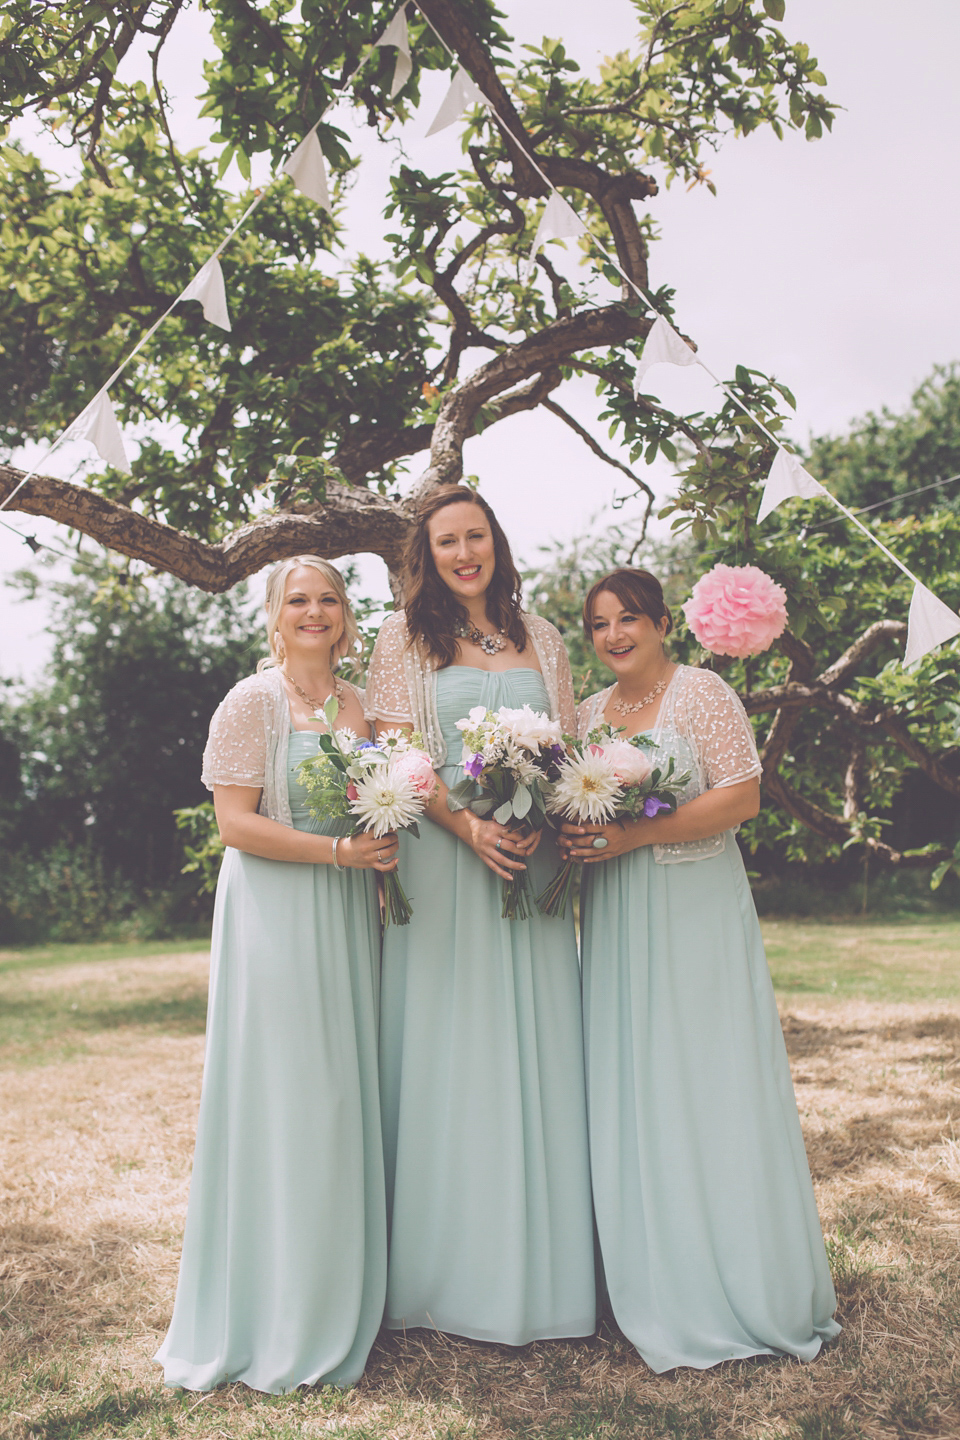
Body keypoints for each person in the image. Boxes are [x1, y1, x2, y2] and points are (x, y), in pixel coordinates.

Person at [560, 567, 840, 1373]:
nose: (615, 635)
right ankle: (653, 1273)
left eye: (630, 620)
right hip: (615, 913)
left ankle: (742, 1280)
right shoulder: (587, 715)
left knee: (708, 1076)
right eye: (601, 625)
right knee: (637, 1077)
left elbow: (743, 797)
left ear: (661, 624)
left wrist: (634, 838)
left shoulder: (704, 694)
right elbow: (584, 806)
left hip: (694, 907)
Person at [155, 556, 398, 1394]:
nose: (315, 611)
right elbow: (235, 824)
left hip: (344, 917)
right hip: (276, 916)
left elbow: (381, 799)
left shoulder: (361, 703)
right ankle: (278, 1310)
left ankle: (340, 1290)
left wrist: (378, 850)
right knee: (289, 1098)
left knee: (339, 1095)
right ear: (274, 613)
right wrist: (340, 852)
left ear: (346, 613)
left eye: (328, 598)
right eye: (298, 599)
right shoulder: (251, 702)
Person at [364, 485, 596, 1345]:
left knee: (535, 1044)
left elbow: (565, 743)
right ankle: (444, 1272)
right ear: (427, 556)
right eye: (448, 542)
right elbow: (397, 749)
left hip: (529, 859)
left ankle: (545, 1269)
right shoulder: (403, 637)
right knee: (449, 1046)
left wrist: (555, 816)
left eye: (477, 536)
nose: (466, 553)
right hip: (447, 850)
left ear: (496, 541)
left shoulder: (546, 639)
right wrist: (467, 827)